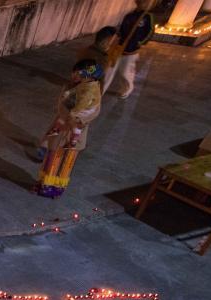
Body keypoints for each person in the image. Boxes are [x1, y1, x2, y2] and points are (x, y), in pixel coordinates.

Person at [34, 59, 102, 198]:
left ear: (86, 75)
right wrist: (69, 116)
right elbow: (61, 106)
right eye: (73, 72)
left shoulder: (93, 91)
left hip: (75, 132)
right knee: (52, 158)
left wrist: (78, 119)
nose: (73, 75)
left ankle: (57, 190)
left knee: (66, 162)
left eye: (77, 73)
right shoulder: (70, 87)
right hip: (62, 130)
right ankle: (43, 185)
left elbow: (95, 111)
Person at [107, 0, 155, 99]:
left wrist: (138, 43)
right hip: (119, 47)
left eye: (145, 2)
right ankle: (101, 89)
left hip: (131, 50)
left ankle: (127, 89)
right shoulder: (129, 15)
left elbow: (149, 32)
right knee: (109, 69)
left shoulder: (148, 17)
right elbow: (121, 30)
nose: (143, 3)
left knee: (125, 72)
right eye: (141, 2)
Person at [77, 26, 119, 93]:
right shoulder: (101, 59)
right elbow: (86, 73)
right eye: (114, 41)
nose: (116, 43)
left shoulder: (86, 50)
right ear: (105, 42)